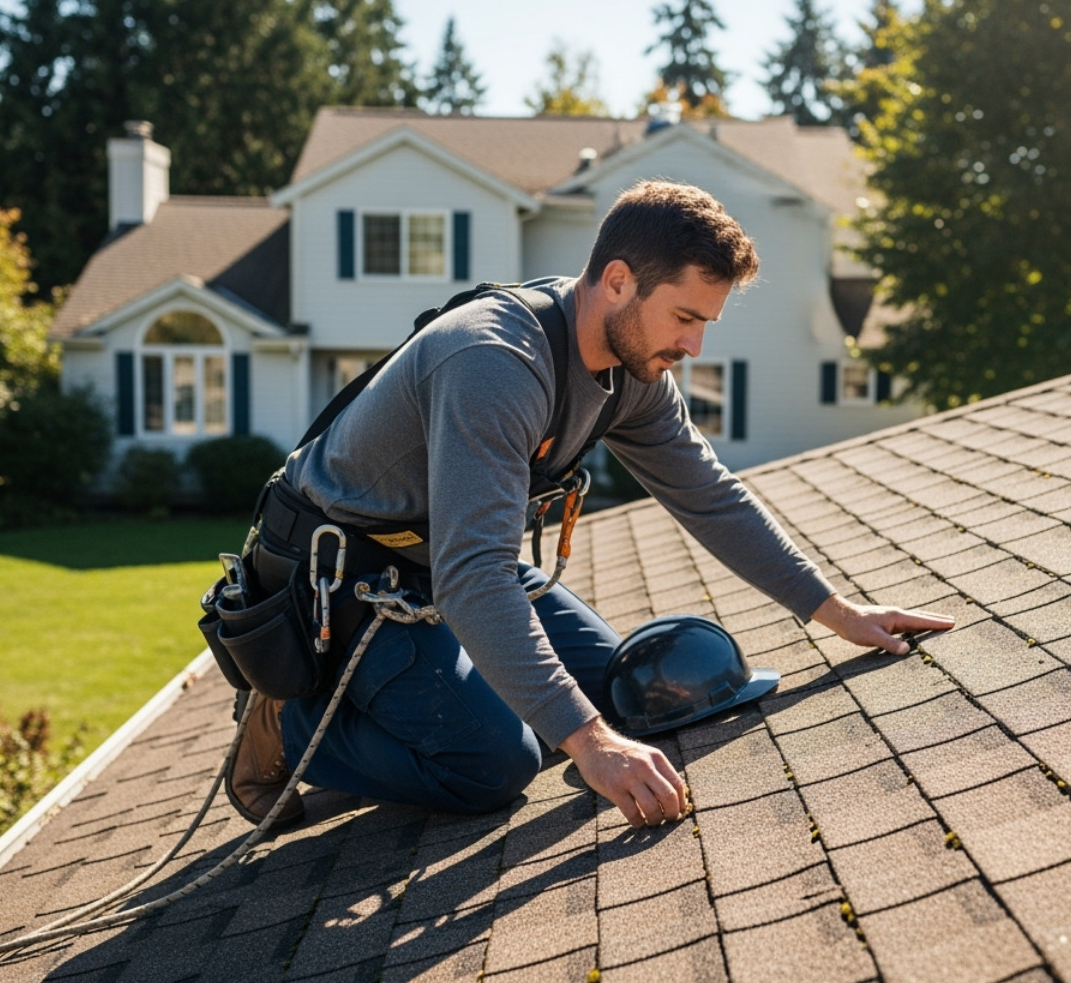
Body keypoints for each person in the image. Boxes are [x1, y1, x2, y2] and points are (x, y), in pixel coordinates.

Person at [227, 181, 955, 830]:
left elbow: (708, 496)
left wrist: (839, 613)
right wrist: (591, 746)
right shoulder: (494, 364)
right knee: (494, 764)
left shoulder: (634, 368)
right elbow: (474, 575)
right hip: (344, 588)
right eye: (684, 317)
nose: (694, 345)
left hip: (443, 567)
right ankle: (288, 723)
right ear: (617, 280)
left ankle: (429, 703)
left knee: (624, 692)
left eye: (706, 323)